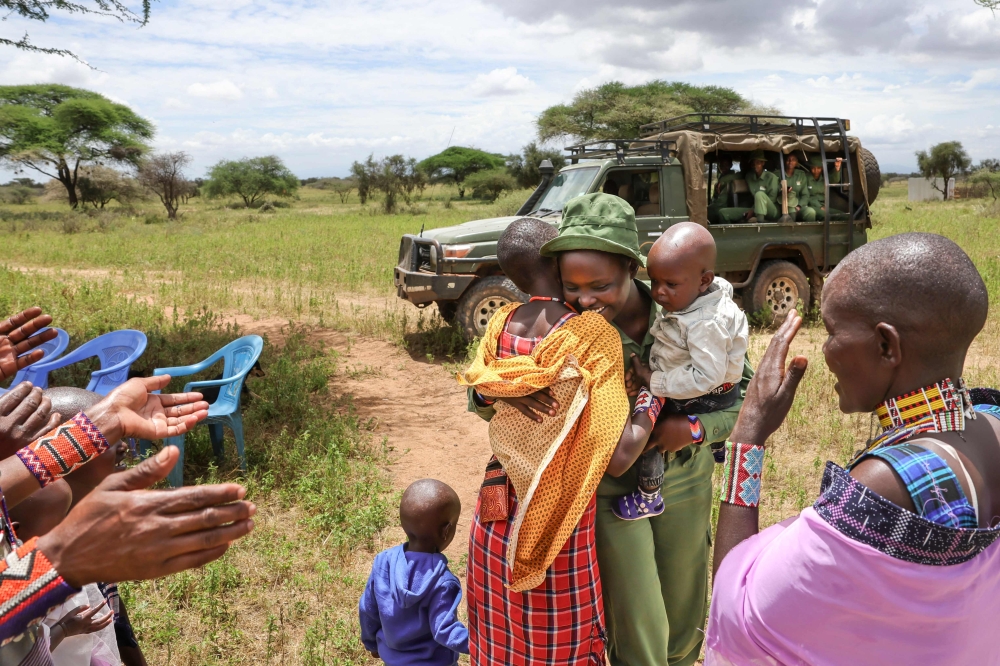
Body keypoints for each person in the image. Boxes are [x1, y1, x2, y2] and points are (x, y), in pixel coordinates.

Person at [470, 195, 753, 665]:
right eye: (573, 286)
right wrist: (504, 391)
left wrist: (696, 429)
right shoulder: (563, 327)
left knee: (684, 619)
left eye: (600, 285)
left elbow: (742, 393)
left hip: (684, 477)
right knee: (637, 624)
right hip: (605, 490)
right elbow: (481, 393)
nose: (585, 300)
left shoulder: (693, 308)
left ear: (631, 268)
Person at [706, 233, 1000, 664]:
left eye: (830, 332)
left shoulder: (886, 483)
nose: (824, 351)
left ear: (886, 346)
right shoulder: (990, 420)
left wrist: (747, 436)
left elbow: (739, 615)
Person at [460, 215, 654, 664]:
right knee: (560, 637)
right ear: (558, 259)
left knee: (499, 627)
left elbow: (482, 385)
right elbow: (621, 455)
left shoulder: (501, 324)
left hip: (497, 504)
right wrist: (651, 394)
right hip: (558, 511)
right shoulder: (590, 335)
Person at [0, 372, 256, 661]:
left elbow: (118, 624)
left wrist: (99, 425)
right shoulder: (38, 520)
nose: (122, 445)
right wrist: (59, 562)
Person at [622, 223, 749, 519]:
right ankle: (717, 445)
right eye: (653, 282)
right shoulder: (707, 298)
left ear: (704, 280)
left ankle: (648, 495)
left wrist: (653, 380)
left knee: (649, 431)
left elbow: (706, 377)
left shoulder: (705, 324)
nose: (659, 292)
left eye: (670, 284)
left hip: (704, 395)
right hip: (721, 394)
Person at [359, 479, 468, 666]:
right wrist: (485, 645)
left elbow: (368, 609)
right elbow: (445, 630)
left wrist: (371, 644)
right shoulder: (443, 581)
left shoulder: (383, 562)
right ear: (446, 530)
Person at [718, 150, 779, 224]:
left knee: (759, 194)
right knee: (723, 213)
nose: (755, 166)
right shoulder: (749, 176)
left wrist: (753, 210)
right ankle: (732, 234)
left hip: (771, 211)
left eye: (758, 163)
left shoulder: (771, 177)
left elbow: (772, 199)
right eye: (753, 164)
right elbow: (736, 176)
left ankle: (760, 226)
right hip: (754, 208)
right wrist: (721, 182)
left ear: (763, 163)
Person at [801, 153, 843, 221]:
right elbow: (806, 196)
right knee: (825, 216)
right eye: (813, 168)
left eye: (819, 168)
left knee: (843, 216)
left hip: (823, 206)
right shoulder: (805, 178)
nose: (816, 170)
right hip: (810, 206)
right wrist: (820, 207)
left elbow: (835, 179)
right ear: (810, 167)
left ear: (822, 168)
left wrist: (837, 168)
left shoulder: (824, 177)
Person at [707, 157, 743, 224]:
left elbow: (720, 202)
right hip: (718, 204)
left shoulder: (731, 178)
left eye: (726, 164)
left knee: (706, 212)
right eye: (721, 164)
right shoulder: (721, 176)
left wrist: (722, 181)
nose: (723, 167)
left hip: (724, 206)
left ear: (731, 165)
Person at [779, 152, 809, 221]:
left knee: (810, 212)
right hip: (782, 204)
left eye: (793, 160)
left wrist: (799, 206)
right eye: (788, 160)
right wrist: (783, 191)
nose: (790, 162)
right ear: (784, 161)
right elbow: (775, 192)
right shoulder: (778, 174)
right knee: (791, 209)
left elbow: (805, 195)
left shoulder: (801, 175)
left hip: (798, 205)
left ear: (797, 162)